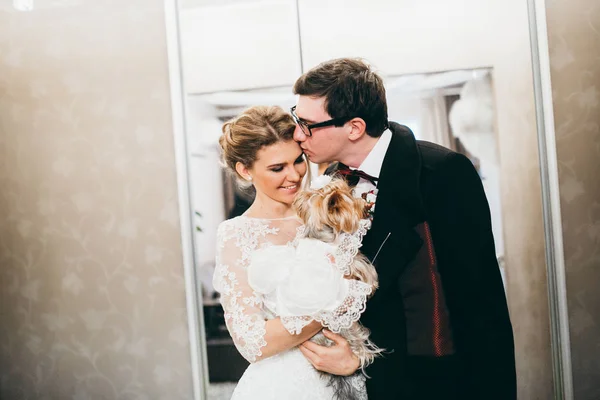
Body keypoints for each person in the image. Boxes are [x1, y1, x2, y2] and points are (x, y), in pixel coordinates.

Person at [291, 58, 516, 400]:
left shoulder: (441, 173)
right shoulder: (329, 185)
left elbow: (480, 303)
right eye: (297, 118)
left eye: (307, 125)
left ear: (353, 127)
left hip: (433, 382)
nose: (297, 135)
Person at [213, 105, 372, 399]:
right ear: (245, 170)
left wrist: (354, 360)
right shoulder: (236, 234)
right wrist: (331, 306)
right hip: (286, 383)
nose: (294, 175)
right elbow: (251, 341)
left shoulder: (333, 209)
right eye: (277, 168)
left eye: (298, 160)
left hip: (354, 372)